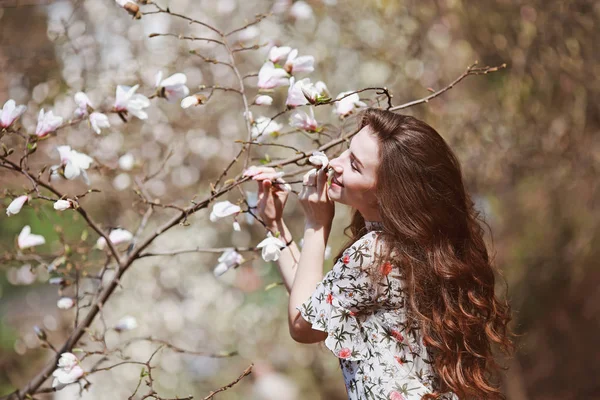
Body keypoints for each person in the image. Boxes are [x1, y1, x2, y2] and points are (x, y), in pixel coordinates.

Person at [244, 108, 514, 400]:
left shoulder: (375, 252)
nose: (335, 164)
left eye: (355, 165)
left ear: (387, 193)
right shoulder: (415, 247)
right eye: (347, 152)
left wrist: (316, 224)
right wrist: (275, 226)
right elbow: (314, 308)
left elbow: (303, 326)